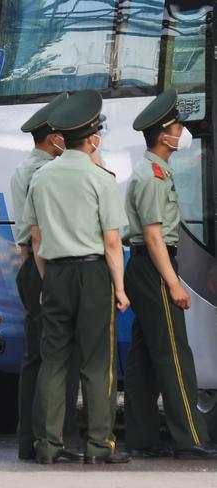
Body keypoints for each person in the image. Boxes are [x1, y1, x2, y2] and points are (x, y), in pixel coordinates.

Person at [24, 90, 130, 464]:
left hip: (55, 273)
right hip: (93, 273)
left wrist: (45, 280)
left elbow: (35, 238)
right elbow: (113, 242)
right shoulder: (101, 179)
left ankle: (48, 446)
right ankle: (99, 445)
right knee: (97, 361)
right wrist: (119, 287)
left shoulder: (41, 177)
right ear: (93, 138)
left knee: (53, 361)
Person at [124, 89, 217, 459]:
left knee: (145, 356)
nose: (182, 131)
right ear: (164, 136)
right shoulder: (151, 175)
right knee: (176, 353)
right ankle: (189, 437)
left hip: (149, 265)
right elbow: (153, 235)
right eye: (177, 126)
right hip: (153, 266)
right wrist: (175, 282)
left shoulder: (156, 170)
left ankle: (143, 438)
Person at [11, 93, 82, 460]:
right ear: (54, 136)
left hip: (30, 265)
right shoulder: (44, 171)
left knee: (36, 355)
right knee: (57, 356)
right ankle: (57, 437)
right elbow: (40, 232)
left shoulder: (25, 167)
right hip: (46, 265)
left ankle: (31, 439)